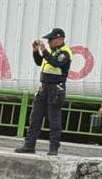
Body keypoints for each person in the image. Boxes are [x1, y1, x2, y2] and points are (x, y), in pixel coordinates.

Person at [16, 28, 71, 156]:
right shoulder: (52, 51)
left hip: (56, 89)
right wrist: (36, 51)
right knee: (35, 117)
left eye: (51, 39)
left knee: (54, 119)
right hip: (44, 87)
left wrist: (44, 50)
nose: (49, 42)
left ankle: (53, 148)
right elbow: (39, 62)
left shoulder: (64, 53)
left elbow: (56, 63)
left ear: (60, 39)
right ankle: (29, 146)